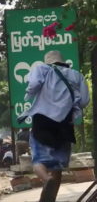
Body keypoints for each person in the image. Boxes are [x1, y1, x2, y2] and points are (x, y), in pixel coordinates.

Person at [18, 51, 89, 202]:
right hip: (65, 124)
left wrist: (29, 94)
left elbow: (34, 85)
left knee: (38, 161)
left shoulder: (42, 69)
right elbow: (84, 101)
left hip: (42, 121)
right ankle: (50, 199)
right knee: (57, 166)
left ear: (48, 62)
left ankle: (45, 178)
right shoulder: (77, 75)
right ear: (62, 62)